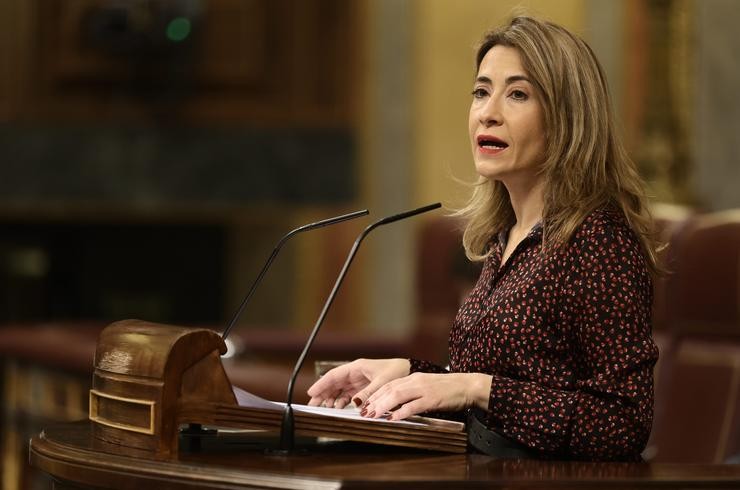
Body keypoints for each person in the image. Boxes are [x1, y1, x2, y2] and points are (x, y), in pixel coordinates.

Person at [307, 15, 660, 462]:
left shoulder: (599, 243)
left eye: (517, 94)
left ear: (567, 119)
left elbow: (622, 423)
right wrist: (409, 373)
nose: (488, 112)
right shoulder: (507, 238)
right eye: (481, 91)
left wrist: (471, 386)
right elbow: (498, 393)